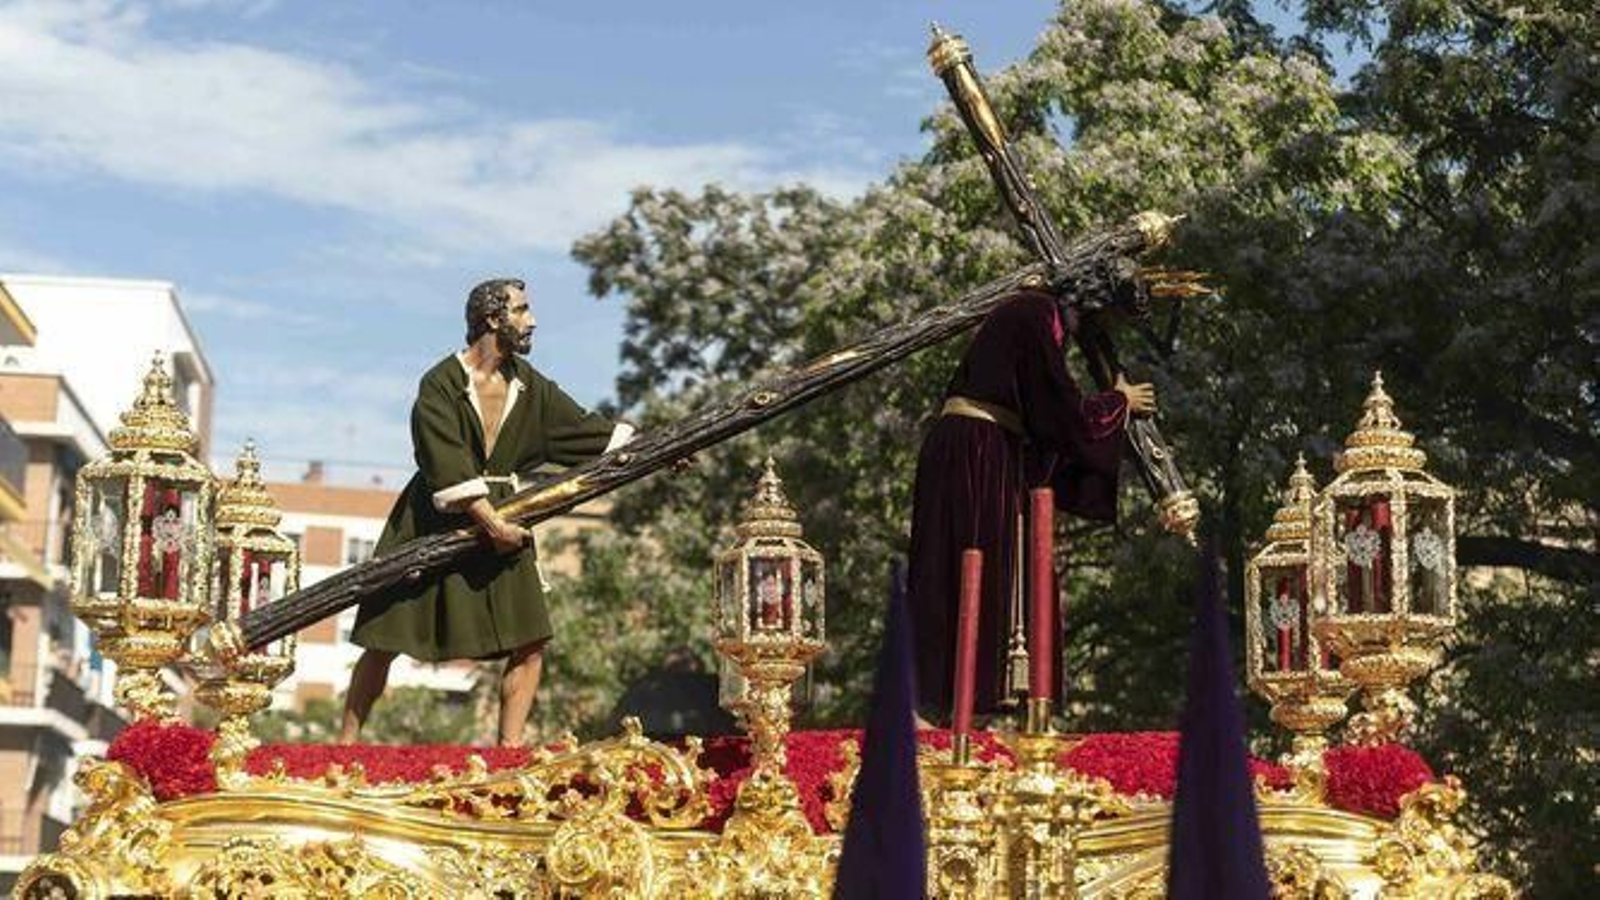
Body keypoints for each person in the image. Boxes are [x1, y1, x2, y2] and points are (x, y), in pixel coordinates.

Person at [339, 277, 632, 747]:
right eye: (522, 310)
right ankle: (342, 744)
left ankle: (508, 753)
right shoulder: (440, 383)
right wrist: (491, 523)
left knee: (531, 641)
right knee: (385, 637)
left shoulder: (529, 385)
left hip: (506, 511)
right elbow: (443, 457)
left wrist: (655, 447)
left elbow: (587, 431)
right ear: (494, 318)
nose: (531, 320)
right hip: (432, 516)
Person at [906, 288, 1156, 721]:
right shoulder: (1033, 310)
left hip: (971, 448)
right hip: (980, 453)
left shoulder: (1026, 314)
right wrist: (1118, 403)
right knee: (982, 564)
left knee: (950, 567)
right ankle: (975, 699)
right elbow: (1057, 407)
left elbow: (1042, 417)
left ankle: (944, 701)